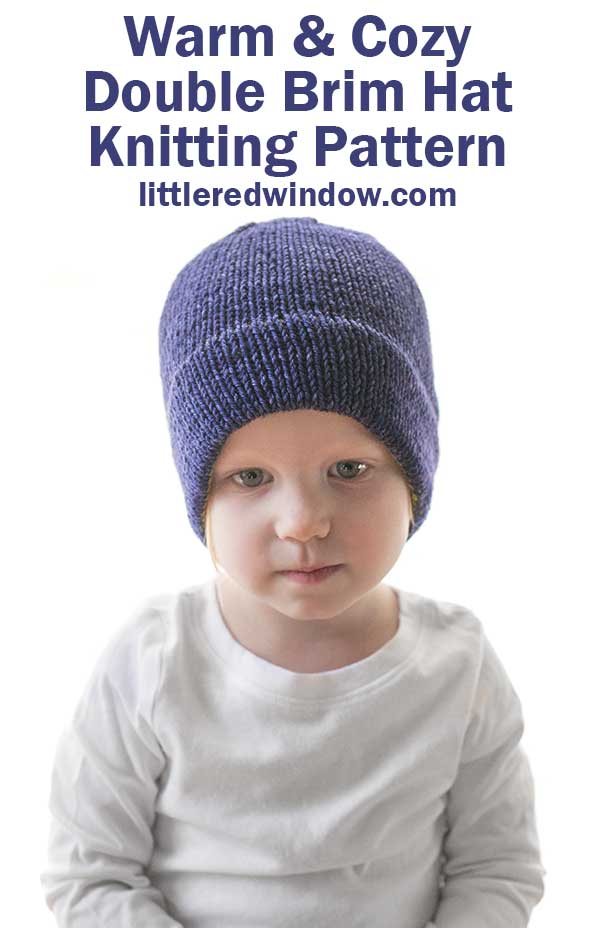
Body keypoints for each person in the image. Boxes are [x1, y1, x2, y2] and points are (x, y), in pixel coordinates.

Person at [40, 217, 545, 927]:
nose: (303, 521)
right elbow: (90, 876)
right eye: (250, 476)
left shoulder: (456, 664)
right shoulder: (152, 659)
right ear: (200, 496)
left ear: (414, 479)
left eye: (350, 469)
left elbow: (495, 868)